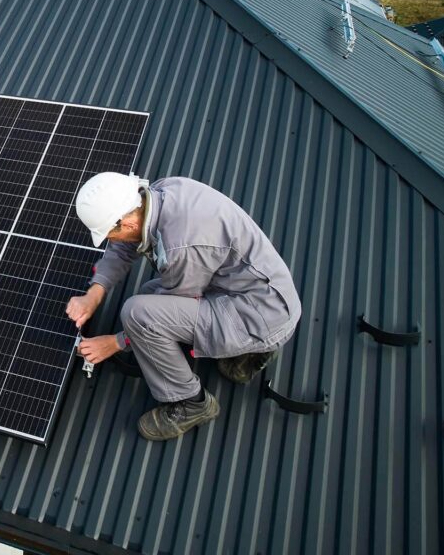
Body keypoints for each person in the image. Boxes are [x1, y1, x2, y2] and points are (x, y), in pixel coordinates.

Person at [65, 173, 302, 441]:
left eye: (109, 233)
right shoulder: (157, 194)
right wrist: (94, 293)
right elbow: (124, 247)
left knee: (138, 313)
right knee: (148, 297)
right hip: (258, 293)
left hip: (261, 315)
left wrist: (115, 342)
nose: (110, 239)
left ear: (127, 222)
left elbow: (165, 311)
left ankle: (192, 402)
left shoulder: (181, 246)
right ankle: (249, 354)